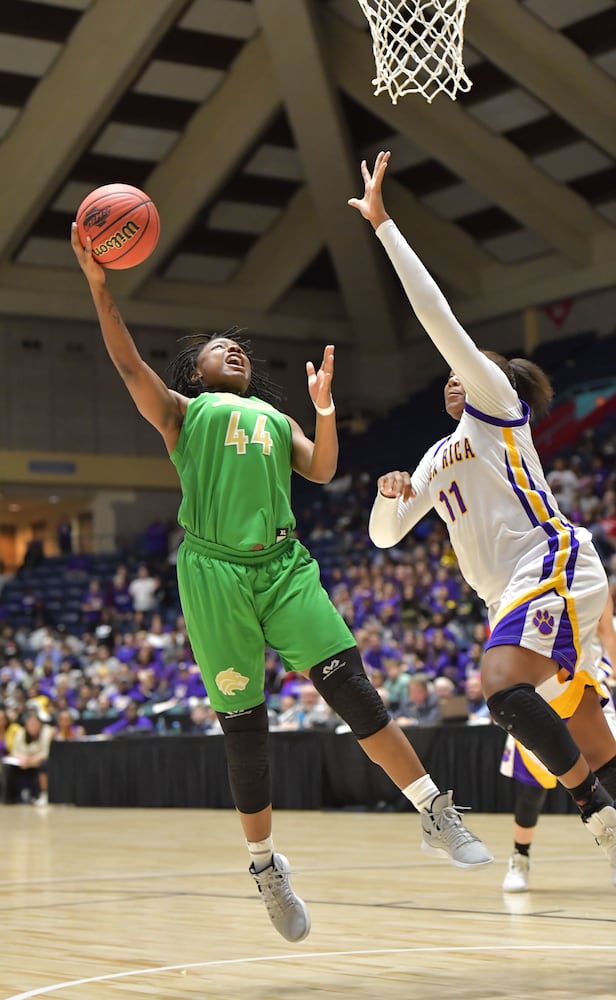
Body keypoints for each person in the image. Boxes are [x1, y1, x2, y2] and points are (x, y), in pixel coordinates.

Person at [71, 221, 493, 945]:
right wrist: (99, 285)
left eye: (238, 345)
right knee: (246, 733)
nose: (232, 347)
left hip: (283, 567)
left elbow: (323, 470)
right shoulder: (183, 413)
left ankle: (433, 810)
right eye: (214, 347)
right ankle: (266, 866)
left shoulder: (271, 415)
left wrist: (325, 408)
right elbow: (127, 363)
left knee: (355, 693)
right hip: (214, 574)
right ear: (195, 374)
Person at [350, 150, 616, 874]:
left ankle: (596, 812)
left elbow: (436, 318)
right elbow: (384, 538)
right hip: (510, 597)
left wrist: (384, 228)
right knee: (593, 743)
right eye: (449, 375)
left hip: (552, 561)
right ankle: (600, 797)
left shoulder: (497, 411)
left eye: (463, 367)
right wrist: (387, 498)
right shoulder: (437, 459)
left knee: (499, 685)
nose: (450, 374)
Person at [501, 595, 616, 892]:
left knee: (608, 769)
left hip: (582, 684)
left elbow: (606, 631)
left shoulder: (586, 577)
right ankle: (519, 857)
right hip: (536, 692)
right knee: (534, 788)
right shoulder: (518, 584)